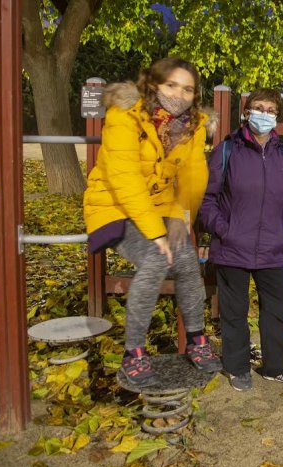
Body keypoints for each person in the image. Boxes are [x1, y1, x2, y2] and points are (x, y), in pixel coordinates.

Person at [83, 57, 222, 387]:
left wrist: (182, 219)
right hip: (113, 205)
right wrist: (157, 233)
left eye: (187, 89)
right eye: (171, 85)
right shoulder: (125, 115)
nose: (179, 95)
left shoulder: (193, 125)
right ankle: (133, 351)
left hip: (161, 206)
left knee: (186, 261)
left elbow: (193, 178)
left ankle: (197, 340)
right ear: (154, 84)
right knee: (157, 258)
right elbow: (125, 179)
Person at [198, 88, 283, 391]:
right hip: (232, 247)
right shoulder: (227, 150)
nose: (264, 114)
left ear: (277, 116)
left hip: (271, 248)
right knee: (234, 312)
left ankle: (277, 367)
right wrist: (224, 230)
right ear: (246, 113)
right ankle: (237, 367)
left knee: (277, 309)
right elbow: (208, 198)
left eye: (270, 110)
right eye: (258, 108)